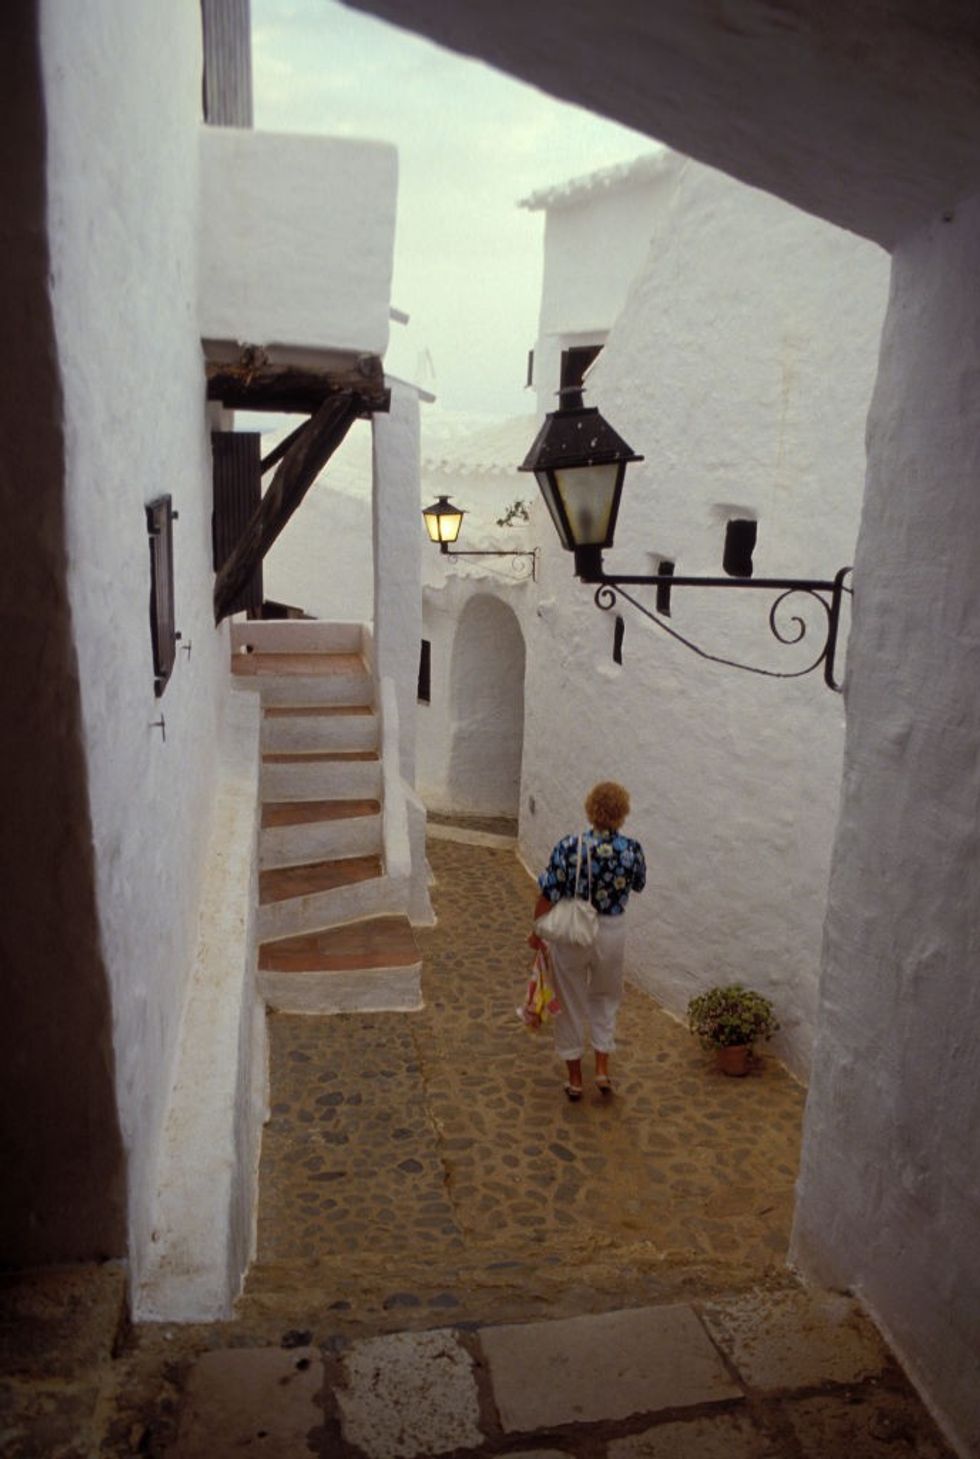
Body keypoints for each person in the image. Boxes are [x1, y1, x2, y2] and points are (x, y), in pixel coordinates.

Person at [530, 782, 646, 1101]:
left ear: (590, 808)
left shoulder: (569, 846)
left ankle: (576, 1079)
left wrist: (536, 931)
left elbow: (548, 893)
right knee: (606, 997)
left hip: (574, 932)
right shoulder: (632, 849)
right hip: (612, 931)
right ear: (622, 812)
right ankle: (603, 1070)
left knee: (570, 1003)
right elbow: (638, 885)